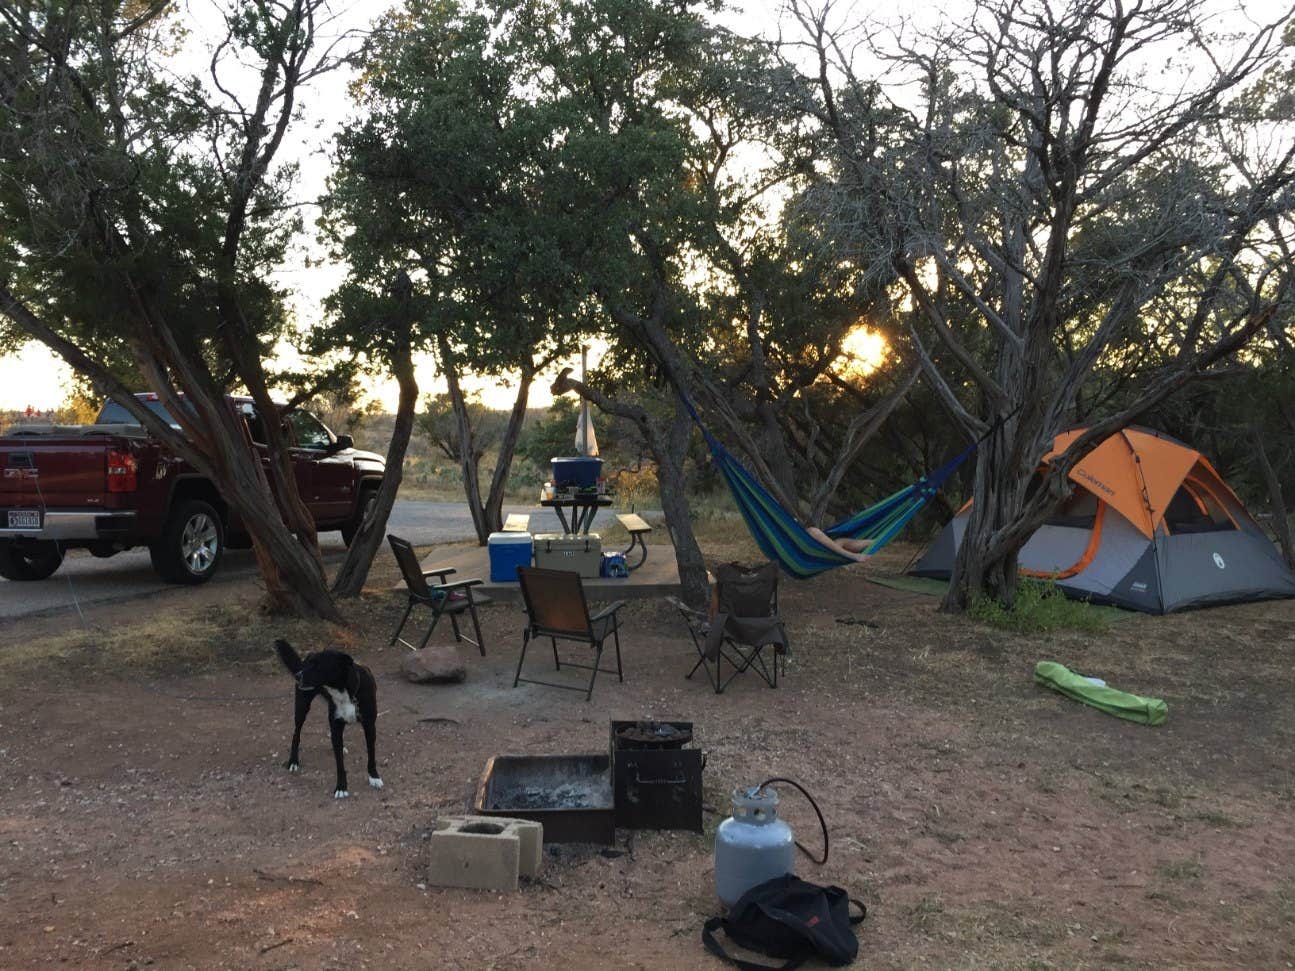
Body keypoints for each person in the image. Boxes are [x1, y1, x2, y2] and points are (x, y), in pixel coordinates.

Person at [805, 526, 873, 562]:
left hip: (817, 549)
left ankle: (876, 541)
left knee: (841, 541)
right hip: (805, 552)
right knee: (813, 531)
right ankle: (851, 555)